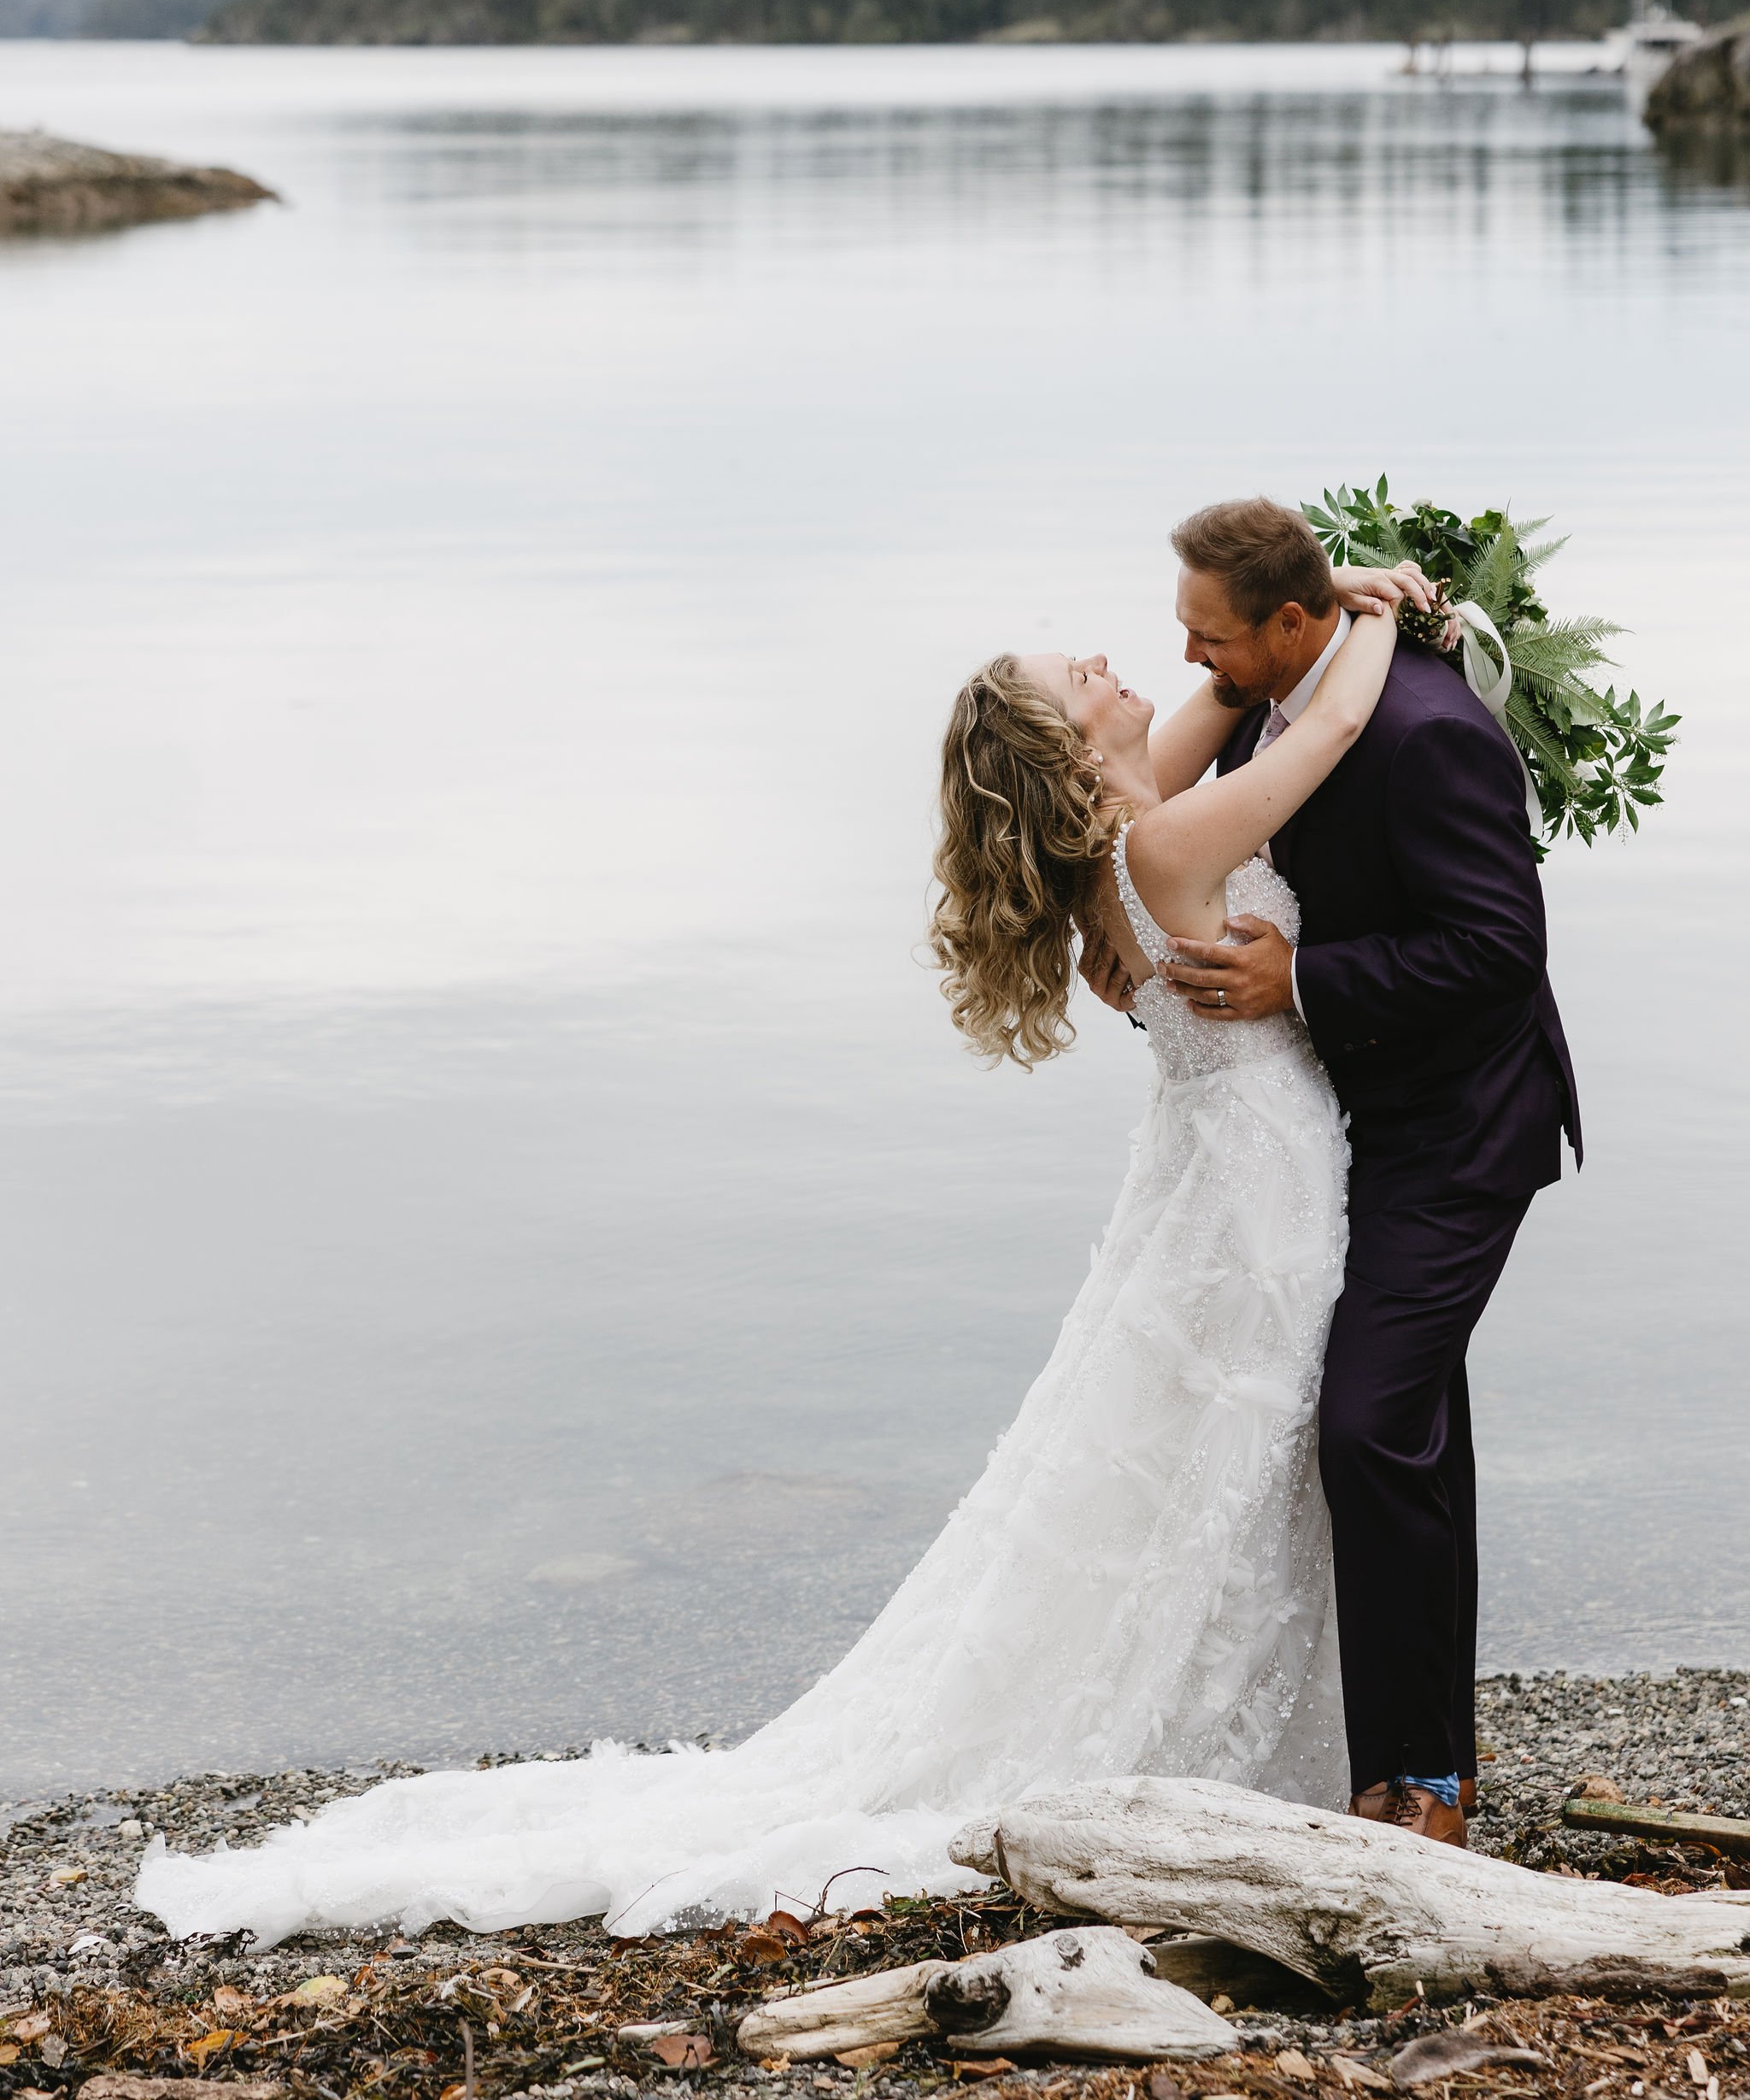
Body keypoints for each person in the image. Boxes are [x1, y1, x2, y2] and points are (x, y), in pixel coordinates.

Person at [134, 558, 1423, 1953]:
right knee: (1240, 1448)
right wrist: (1379, 615)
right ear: (1067, 749)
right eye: (1083, 677)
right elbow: (1335, 725)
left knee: (1224, 1454)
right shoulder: (1163, 846)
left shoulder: (1127, 836)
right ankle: (1259, 1746)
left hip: (1221, 1174)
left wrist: (1309, 592)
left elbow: (1224, 692)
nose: (1116, 666)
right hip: (1253, 1185)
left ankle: (1273, 1731)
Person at [1081, 497, 1580, 1846]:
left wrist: (1303, 979)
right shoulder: (1270, 710)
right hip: (1333, 1131)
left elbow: (1501, 951)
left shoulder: (1427, 732)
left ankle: (1424, 1782)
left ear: (1293, 623)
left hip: (1458, 1129)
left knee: (1365, 1427)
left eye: (1211, 638)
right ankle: (1417, 1766)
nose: (1193, 661)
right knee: (1404, 1429)